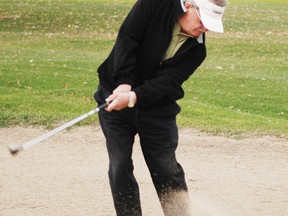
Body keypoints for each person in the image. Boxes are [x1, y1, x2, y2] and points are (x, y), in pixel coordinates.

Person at [94, 0, 227, 215]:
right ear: (189, 6)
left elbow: (167, 83)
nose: (204, 28)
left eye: (210, 25)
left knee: (165, 169)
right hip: (114, 94)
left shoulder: (197, 50)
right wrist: (124, 82)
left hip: (157, 109)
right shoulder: (155, 3)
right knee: (120, 166)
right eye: (203, 20)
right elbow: (128, 37)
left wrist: (133, 96)